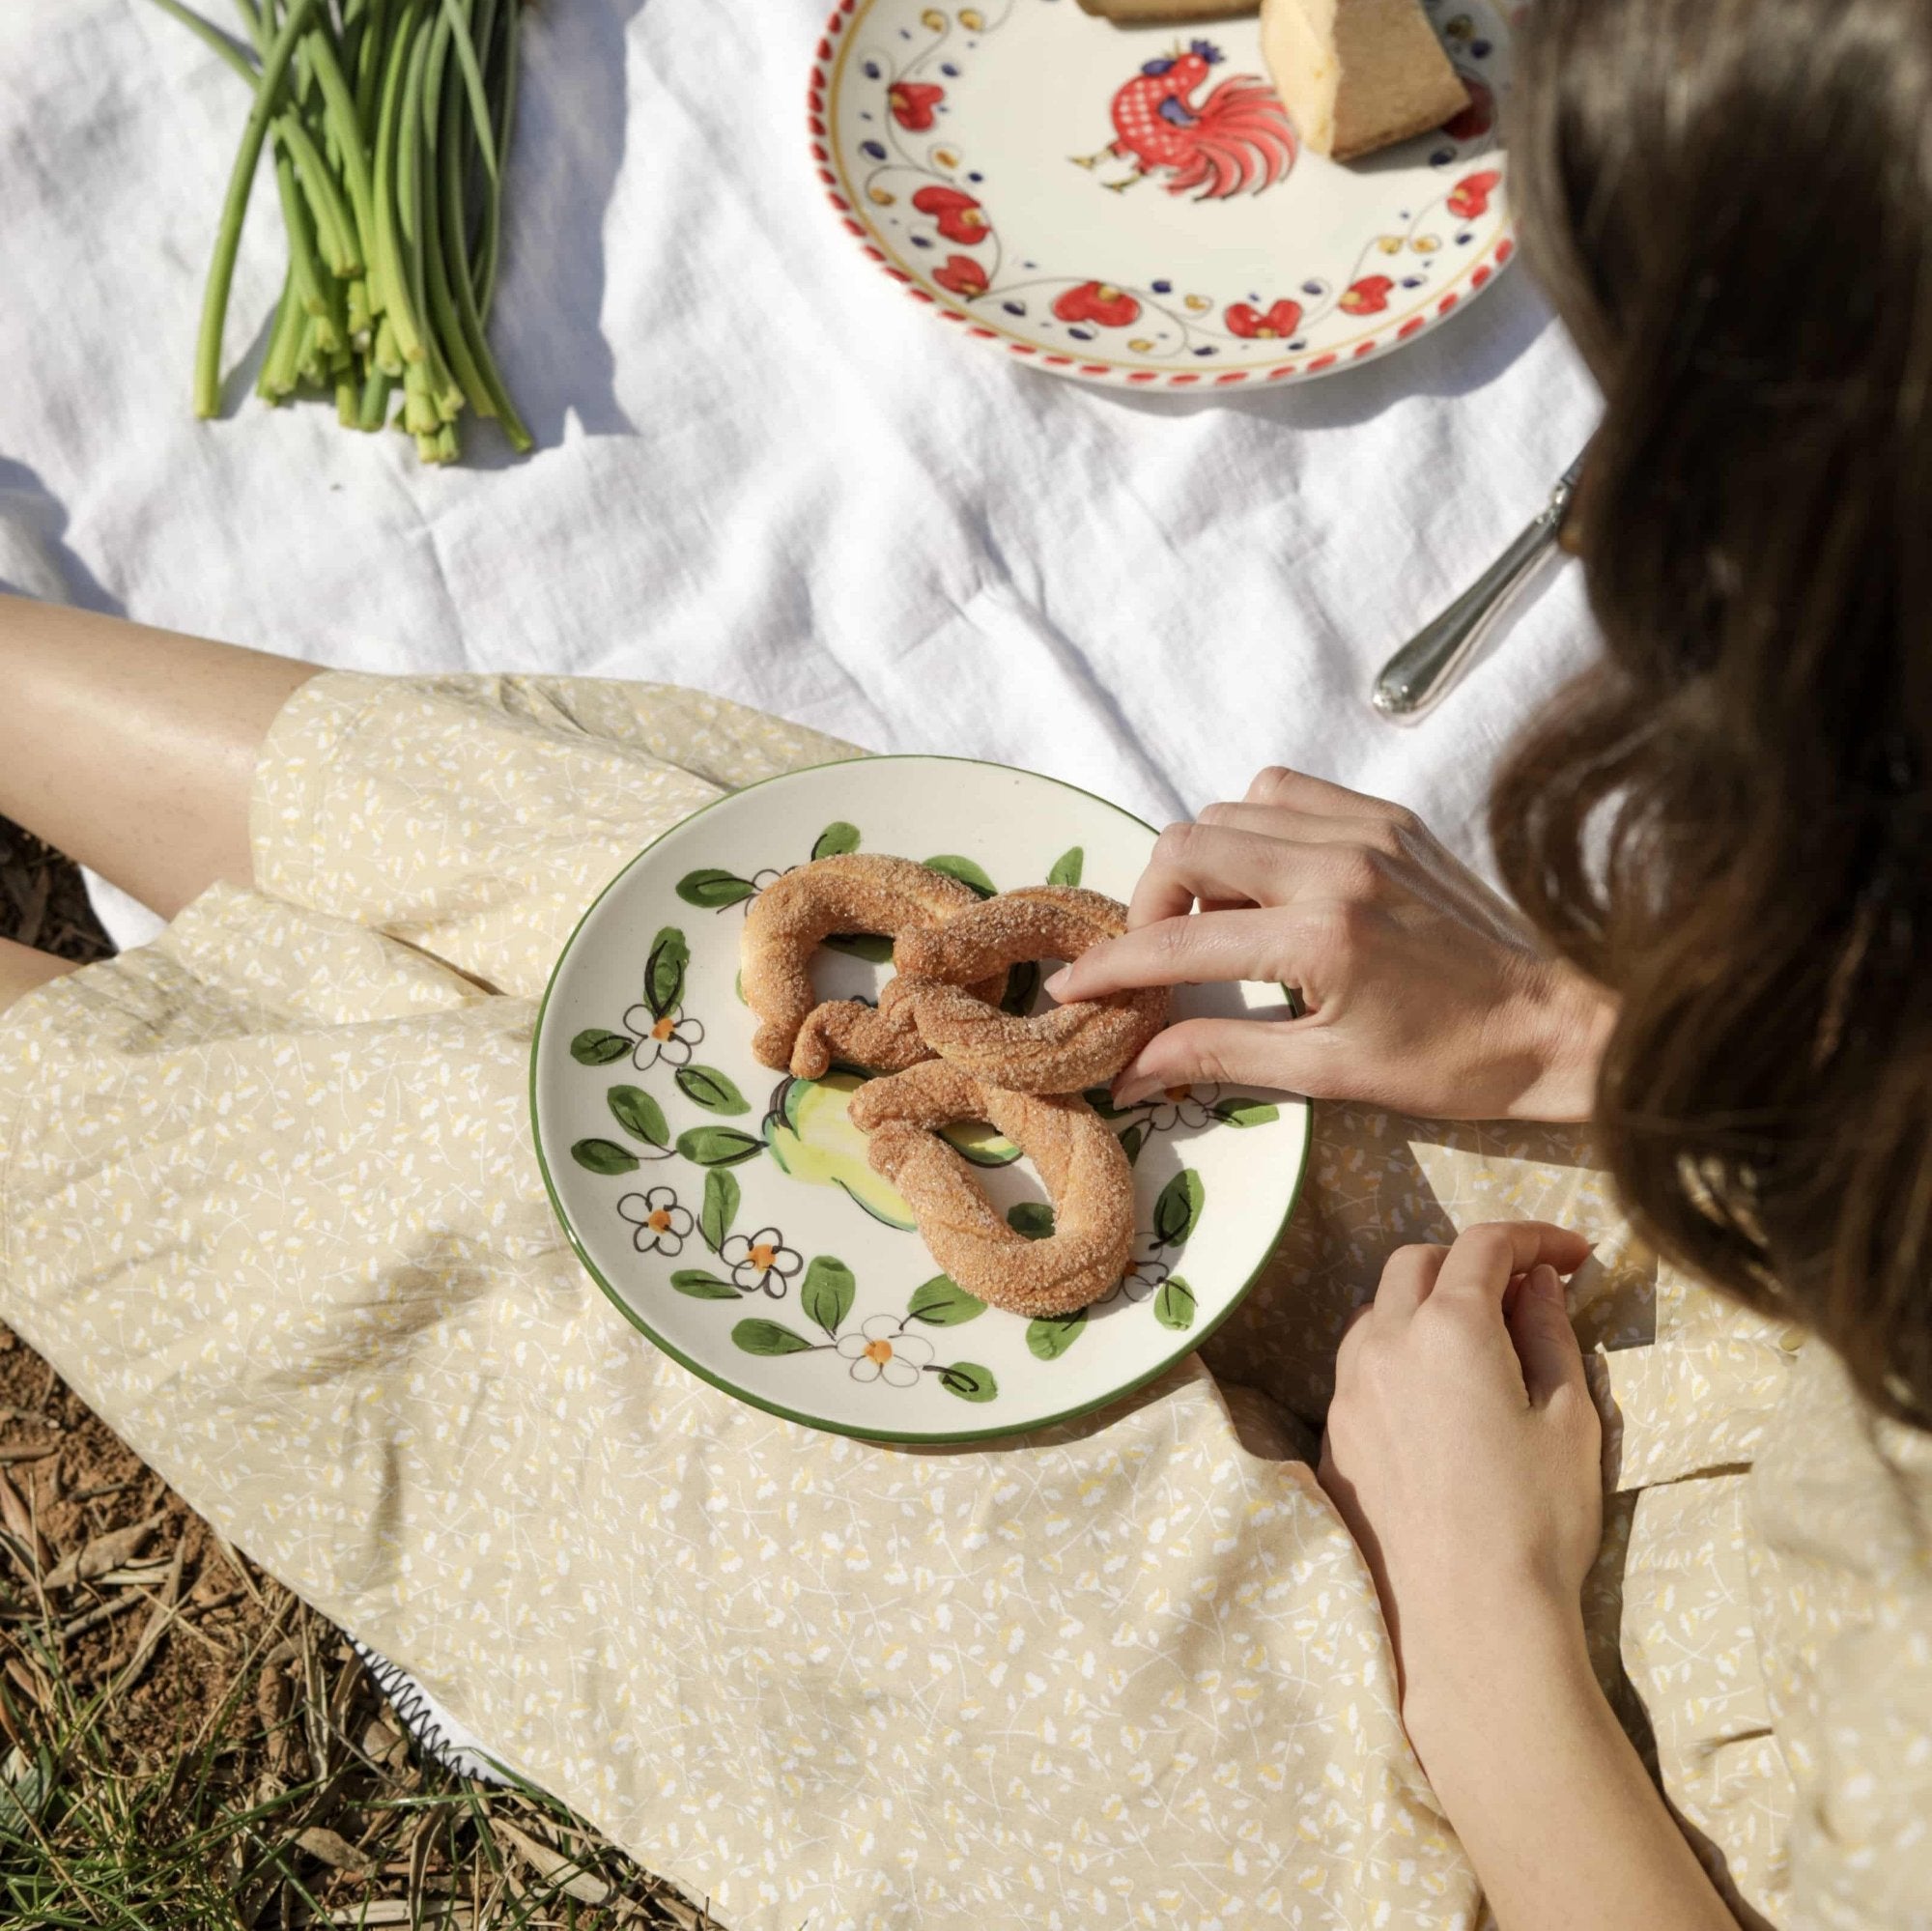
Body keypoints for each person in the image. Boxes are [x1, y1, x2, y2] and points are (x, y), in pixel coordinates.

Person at [2, 0, 1927, 1922]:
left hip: (1594, 1832)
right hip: (1789, 1235)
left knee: (570, 1321)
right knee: (681, 921)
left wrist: (1483, 1618)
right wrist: (1553, 1034)